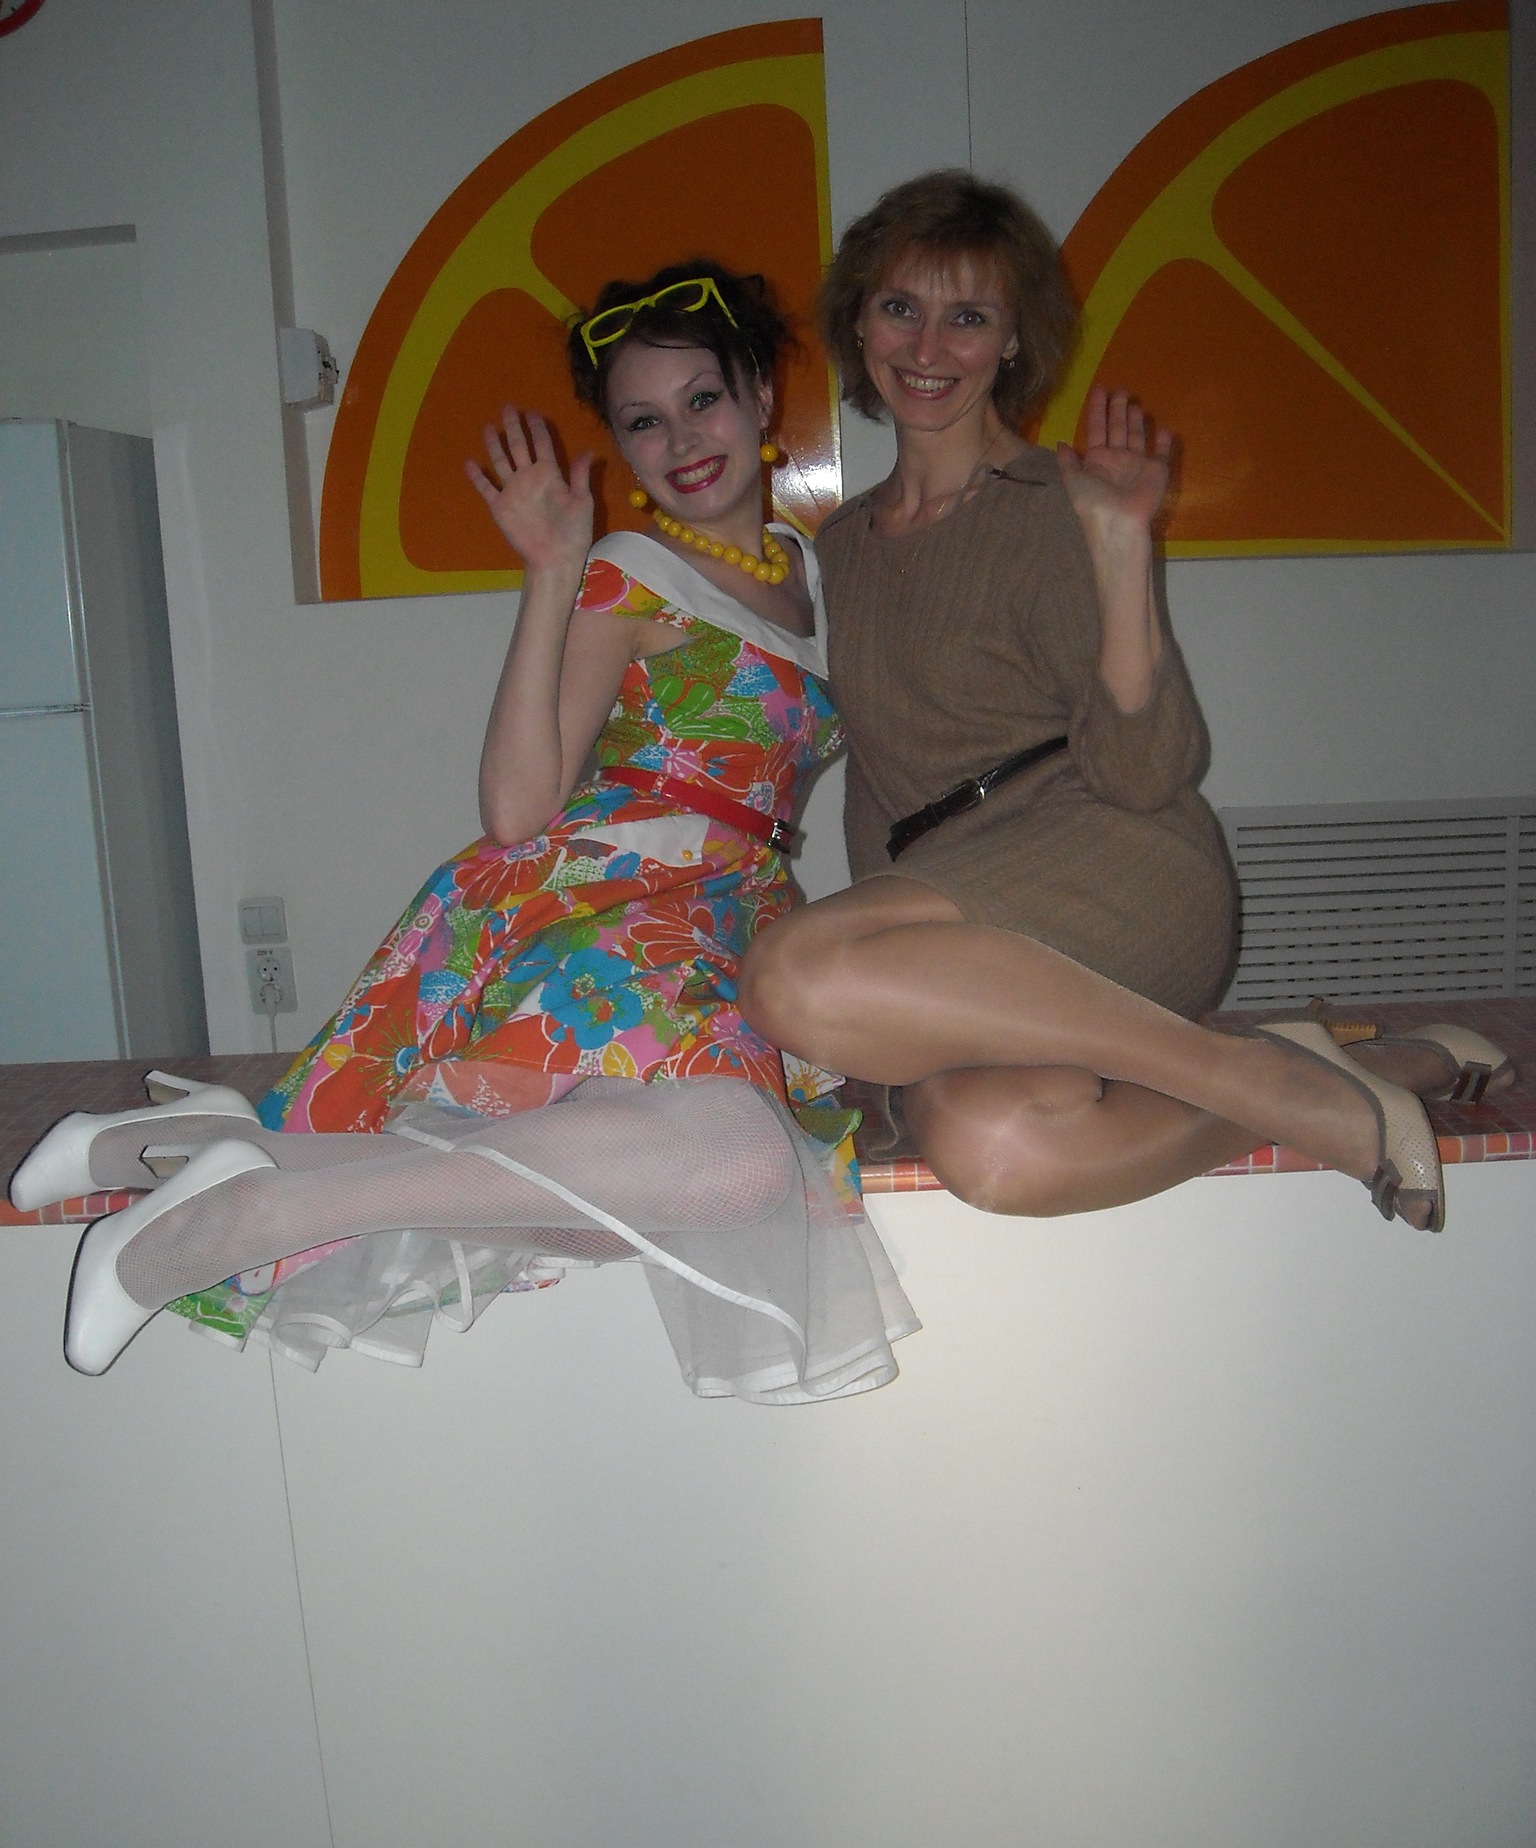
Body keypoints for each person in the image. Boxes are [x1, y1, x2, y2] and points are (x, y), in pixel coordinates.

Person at [15, 261, 914, 1399]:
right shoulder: (630, 573)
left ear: (759, 394)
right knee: (735, 1167)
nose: (681, 439)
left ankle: (187, 1157)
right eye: (643, 420)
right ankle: (239, 1210)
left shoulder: (809, 574)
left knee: (640, 1194)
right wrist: (551, 571)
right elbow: (515, 808)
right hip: (618, 901)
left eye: (704, 399)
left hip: (734, 917)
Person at [739, 171, 1511, 1227]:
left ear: (1015, 340)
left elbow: (1146, 774)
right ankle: (1328, 1072)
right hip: (965, 920)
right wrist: (898, 1019)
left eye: (969, 317)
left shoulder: (1061, 502)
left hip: (1115, 865)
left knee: (789, 977)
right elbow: (882, 782)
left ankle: (1254, 1076)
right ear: (859, 323)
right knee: (997, 1148)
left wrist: (1118, 544)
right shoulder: (842, 543)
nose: (928, 347)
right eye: (901, 307)